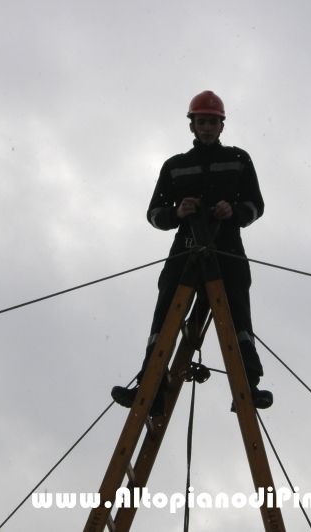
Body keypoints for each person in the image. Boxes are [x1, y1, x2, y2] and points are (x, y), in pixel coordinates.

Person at [111, 90, 272, 417]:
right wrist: (177, 213)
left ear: (221, 125)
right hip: (185, 251)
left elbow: (256, 205)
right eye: (202, 122)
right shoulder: (175, 166)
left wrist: (235, 211)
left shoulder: (239, 159)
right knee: (167, 312)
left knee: (237, 313)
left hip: (227, 250)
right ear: (192, 126)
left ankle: (247, 387)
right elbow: (154, 213)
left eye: (213, 122)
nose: (208, 128)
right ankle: (150, 388)